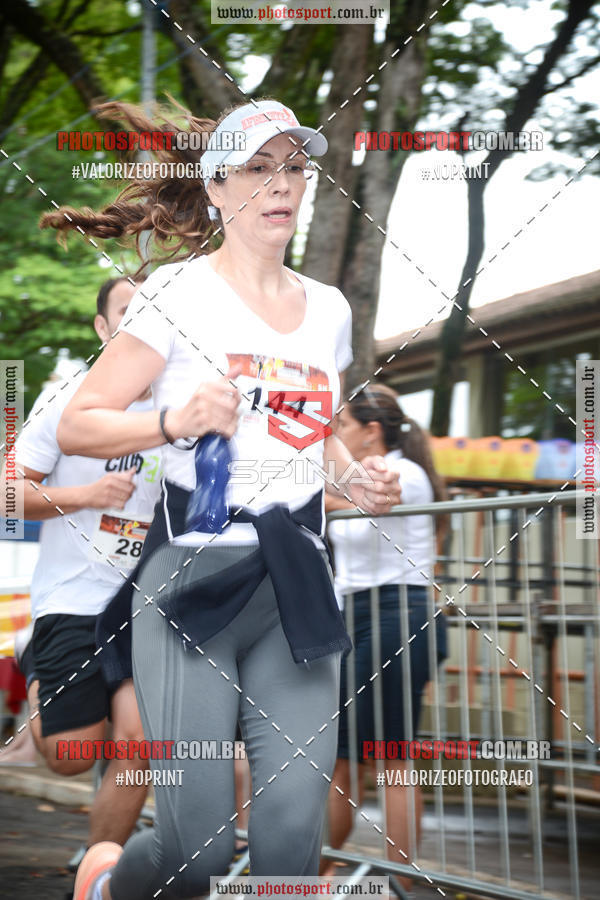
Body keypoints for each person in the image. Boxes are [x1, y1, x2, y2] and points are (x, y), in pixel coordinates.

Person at [39, 97, 402, 900]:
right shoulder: (177, 292)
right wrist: (172, 421)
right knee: (196, 852)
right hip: (190, 588)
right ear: (216, 187)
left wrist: (356, 477)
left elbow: (317, 436)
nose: (282, 184)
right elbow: (77, 423)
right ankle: (108, 883)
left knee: (290, 841)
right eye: (258, 168)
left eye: (295, 168)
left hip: (296, 584)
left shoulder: (330, 309)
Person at [0, 277, 162, 849]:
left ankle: (100, 875)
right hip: (73, 598)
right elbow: (7, 495)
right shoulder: (65, 400)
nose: (144, 322)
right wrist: (85, 496)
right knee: (72, 756)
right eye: (128, 311)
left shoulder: (184, 404)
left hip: (149, 605)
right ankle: (33, 658)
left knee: (140, 743)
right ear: (103, 328)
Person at [324, 384, 448, 891]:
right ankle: (318, 872)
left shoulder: (402, 473)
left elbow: (355, 501)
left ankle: (400, 884)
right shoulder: (357, 474)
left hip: (398, 613)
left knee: (391, 755)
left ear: (372, 431)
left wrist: (309, 493)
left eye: (343, 425)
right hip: (358, 614)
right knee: (341, 757)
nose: (334, 434)